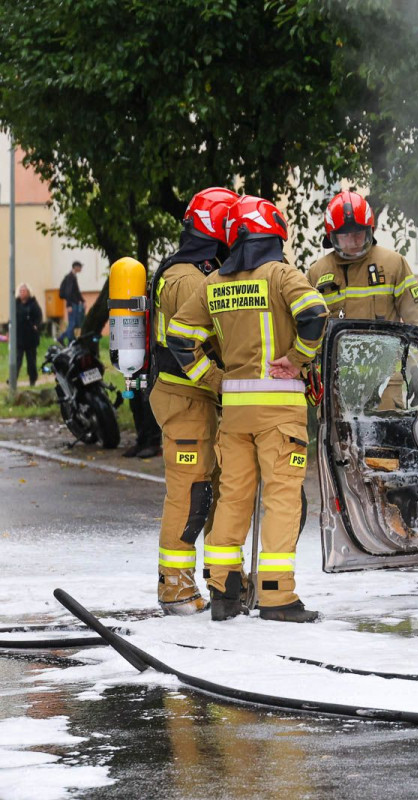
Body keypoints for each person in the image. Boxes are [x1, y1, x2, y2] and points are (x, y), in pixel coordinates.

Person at [168, 195, 328, 623]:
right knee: (281, 499)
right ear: (272, 233)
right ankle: (276, 596)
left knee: (233, 499)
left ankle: (224, 591)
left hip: (234, 413)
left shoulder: (214, 281)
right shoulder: (280, 274)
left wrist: (214, 379)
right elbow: (315, 312)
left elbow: (179, 336)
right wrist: (297, 357)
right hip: (279, 412)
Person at [149, 187, 239, 615]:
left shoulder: (209, 269)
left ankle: (221, 584)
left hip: (207, 398)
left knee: (224, 492)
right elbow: (209, 340)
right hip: (185, 397)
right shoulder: (185, 277)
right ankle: (176, 588)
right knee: (191, 494)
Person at [307, 190, 418, 407]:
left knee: (383, 442)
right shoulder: (317, 273)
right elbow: (307, 328)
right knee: (337, 443)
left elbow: (416, 321)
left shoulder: (393, 264)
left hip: (384, 388)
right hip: (335, 390)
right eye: (345, 236)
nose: (353, 241)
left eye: (358, 234)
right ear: (332, 237)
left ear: (370, 231)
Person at [79, 279, 163, 458]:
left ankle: (153, 442)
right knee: (135, 401)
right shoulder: (130, 307)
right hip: (133, 362)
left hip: (149, 364)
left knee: (147, 402)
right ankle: (141, 440)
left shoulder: (154, 306)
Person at [14, 283, 43, 386]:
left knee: (31, 361)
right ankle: (13, 379)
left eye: (24, 291)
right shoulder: (16, 304)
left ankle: (32, 380)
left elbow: (39, 317)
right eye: (20, 291)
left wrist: (36, 325)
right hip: (19, 337)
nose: (22, 293)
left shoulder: (33, 304)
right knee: (17, 360)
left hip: (30, 337)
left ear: (28, 292)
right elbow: (12, 319)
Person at [57, 261, 85, 344]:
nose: (81, 269)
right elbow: (68, 292)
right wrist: (69, 305)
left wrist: (82, 301)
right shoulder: (70, 277)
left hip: (74, 303)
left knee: (74, 323)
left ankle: (68, 339)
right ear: (76, 267)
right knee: (72, 324)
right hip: (72, 304)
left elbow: (76, 291)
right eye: (80, 267)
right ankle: (68, 340)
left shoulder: (73, 277)